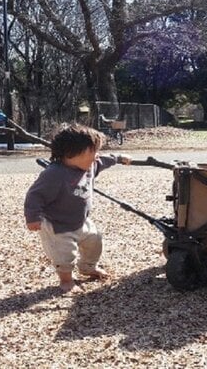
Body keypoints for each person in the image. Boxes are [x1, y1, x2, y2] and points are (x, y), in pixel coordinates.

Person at [24, 123, 132, 293]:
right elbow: (35, 195)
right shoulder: (55, 174)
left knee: (95, 241)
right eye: (92, 151)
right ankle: (66, 280)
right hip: (57, 225)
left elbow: (104, 160)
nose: (96, 156)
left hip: (81, 221)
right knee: (65, 255)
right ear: (71, 153)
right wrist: (33, 218)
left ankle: (88, 267)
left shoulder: (89, 166)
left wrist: (118, 157)